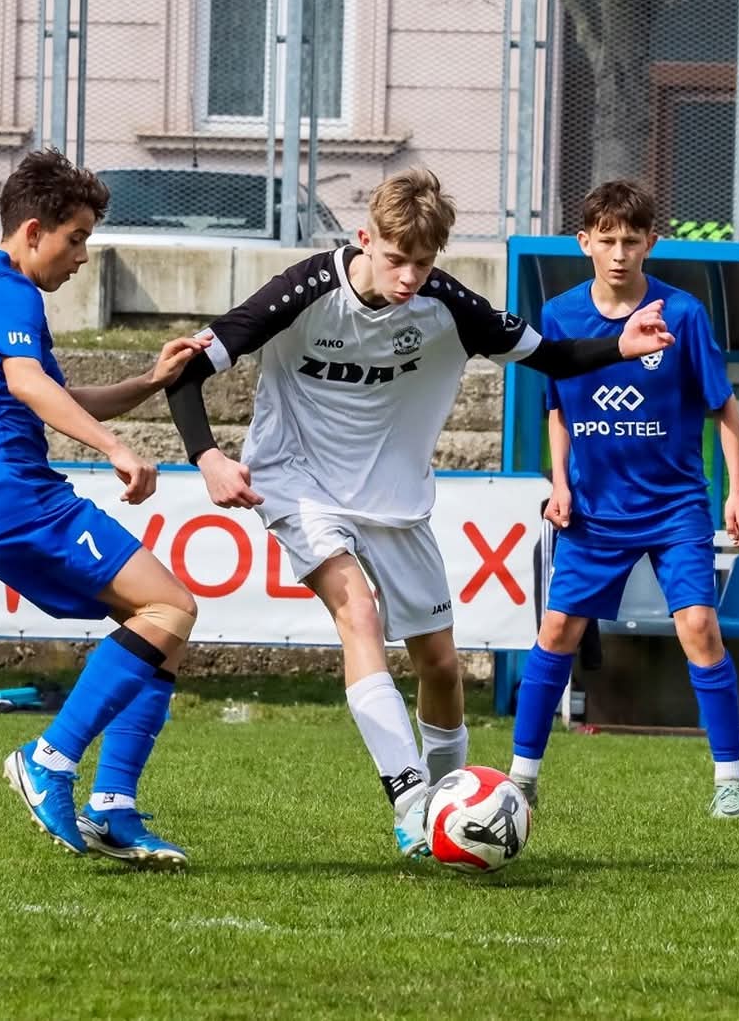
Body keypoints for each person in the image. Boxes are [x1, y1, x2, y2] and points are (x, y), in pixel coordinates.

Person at [164, 167, 674, 859]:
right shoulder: (304, 290)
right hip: (298, 480)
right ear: (364, 238)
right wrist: (209, 457)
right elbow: (187, 371)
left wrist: (622, 344)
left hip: (395, 500)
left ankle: (449, 814)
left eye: (424, 262)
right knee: (358, 613)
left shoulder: (448, 304)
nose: (409, 276)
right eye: (396, 258)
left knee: (441, 664)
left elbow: (549, 356)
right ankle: (409, 799)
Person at [0, 148, 210, 868]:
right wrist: (117, 448)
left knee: (158, 628)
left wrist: (151, 380)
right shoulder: (6, 292)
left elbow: (57, 395)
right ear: (32, 230)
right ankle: (49, 758)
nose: (83, 255)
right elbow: (28, 384)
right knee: (171, 606)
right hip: (16, 497)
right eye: (75, 237)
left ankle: (113, 807)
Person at [507, 179, 739, 820]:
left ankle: (729, 782)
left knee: (699, 627)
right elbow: (558, 409)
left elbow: (722, 406)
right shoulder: (561, 316)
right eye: (607, 240)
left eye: (631, 240)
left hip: (675, 508)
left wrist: (737, 490)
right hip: (596, 511)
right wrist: (559, 483)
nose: (619, 253)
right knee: (557, 630)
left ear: (652, 242)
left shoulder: (683, 314)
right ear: (584, 242)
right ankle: (521, 778)